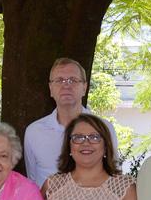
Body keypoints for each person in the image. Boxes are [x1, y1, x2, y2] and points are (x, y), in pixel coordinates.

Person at [23, 58, 118, 186]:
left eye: (72, 80)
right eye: (59, 80)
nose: (66, 85)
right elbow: (32, 182)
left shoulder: (104, 129)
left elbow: (114, 176)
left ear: (84, 87)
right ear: (50, 88)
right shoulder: (34, 132)